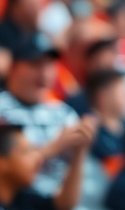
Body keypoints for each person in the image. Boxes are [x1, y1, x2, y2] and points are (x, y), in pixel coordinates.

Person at [0, 34, 84, 188]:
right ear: (13, 67)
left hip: (57, 202)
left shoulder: (63, 113)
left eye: (50, 65)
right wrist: (52, 148)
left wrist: (83, 145)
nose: (44, 74)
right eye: (36, 64)